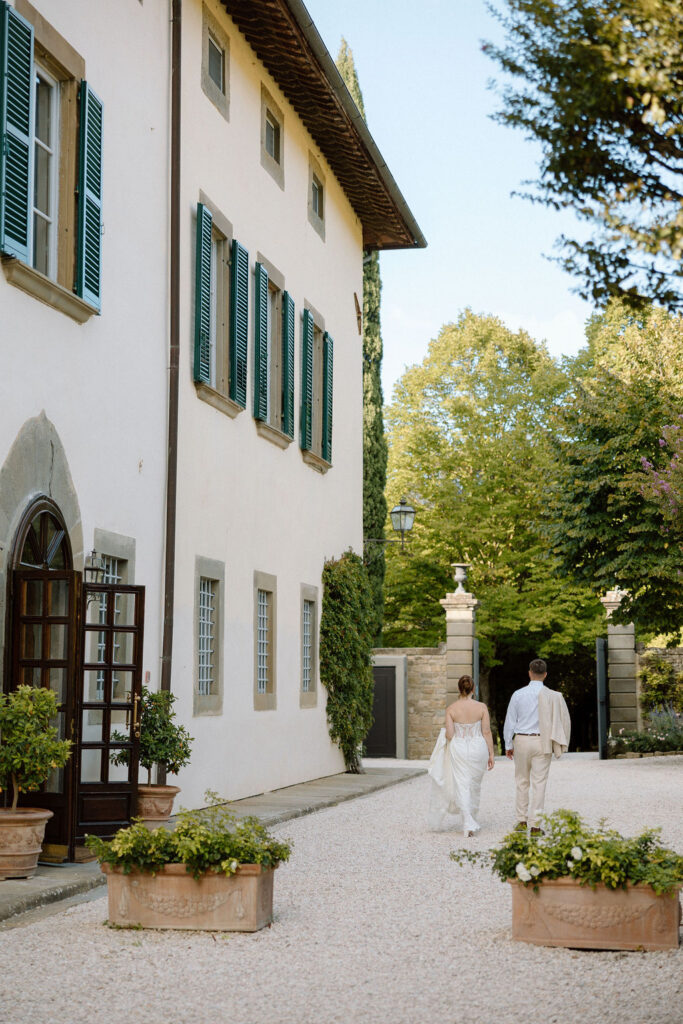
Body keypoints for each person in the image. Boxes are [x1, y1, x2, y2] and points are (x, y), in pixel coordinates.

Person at [503, 658, 571, 835]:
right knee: (539, 783)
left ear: (529, 673)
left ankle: (521, 821)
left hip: (522, 740)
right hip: (542, 741)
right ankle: (535, 826)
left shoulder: (518, 694)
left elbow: (510, 721)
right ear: (545, 675)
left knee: (521, 782)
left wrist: (508, 744)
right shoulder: (553, 695)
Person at [427, 674, 495, 836]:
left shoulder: (451, 709)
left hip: (459, 746)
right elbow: (486, 731)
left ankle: (467, 821)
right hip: (478, 746)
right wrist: (491, 753)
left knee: (462, 783)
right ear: (473, 689)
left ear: (459, 689)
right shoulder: (481, 707)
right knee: (474, 784)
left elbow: (450, 735)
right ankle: (471, 818)